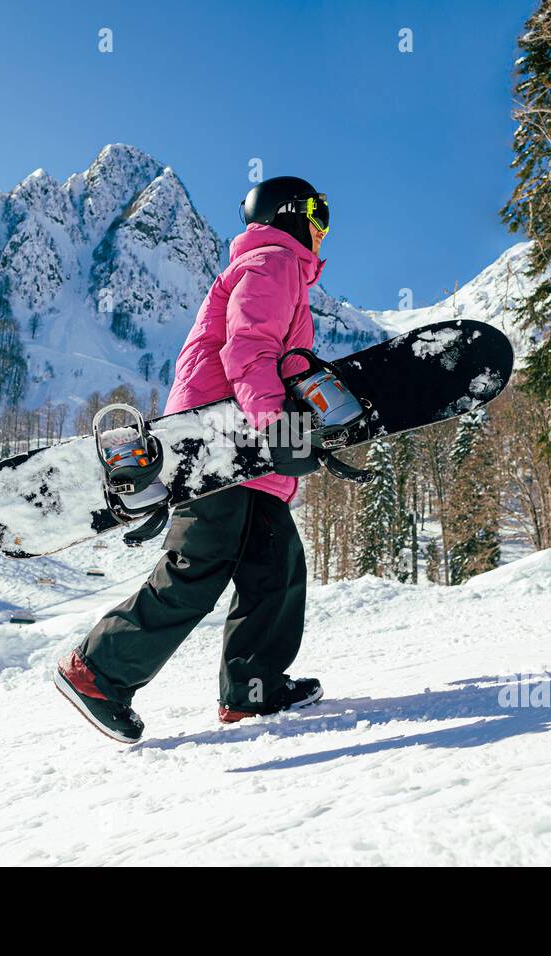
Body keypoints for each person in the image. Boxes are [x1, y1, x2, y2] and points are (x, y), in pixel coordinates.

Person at [54, 176, 332, 743]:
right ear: (292, 213)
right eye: (319, 214)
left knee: (275, 568)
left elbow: (279, 361)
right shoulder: (273, 262)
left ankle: (253, 691)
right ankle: (97, 672)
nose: (323, 230)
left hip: (250, 451)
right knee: (197, 566)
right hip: (218, 442)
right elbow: (248, 348)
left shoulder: (281, 271)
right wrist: (276, 421)